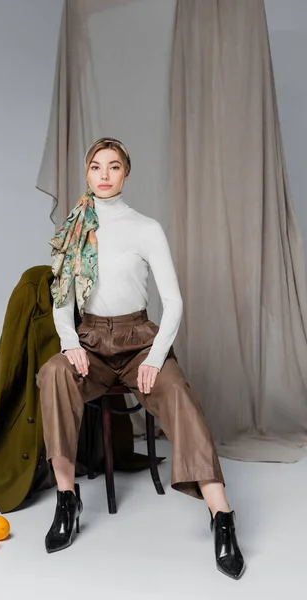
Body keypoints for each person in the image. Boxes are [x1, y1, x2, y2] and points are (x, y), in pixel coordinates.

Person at [37, 137, 245, 580]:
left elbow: (174, 302)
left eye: (114, 166)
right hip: (90, 341)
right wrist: (71, 342)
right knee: (52, 374)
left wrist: (155, 356)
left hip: (138, 341)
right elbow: (62, 300)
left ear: (126, 174)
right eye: (97, 166)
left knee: (179, 394)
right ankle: (66, 499)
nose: (105, 174)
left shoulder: (146, 227)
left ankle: (221, 515)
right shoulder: (75, 229)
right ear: (87, 173)